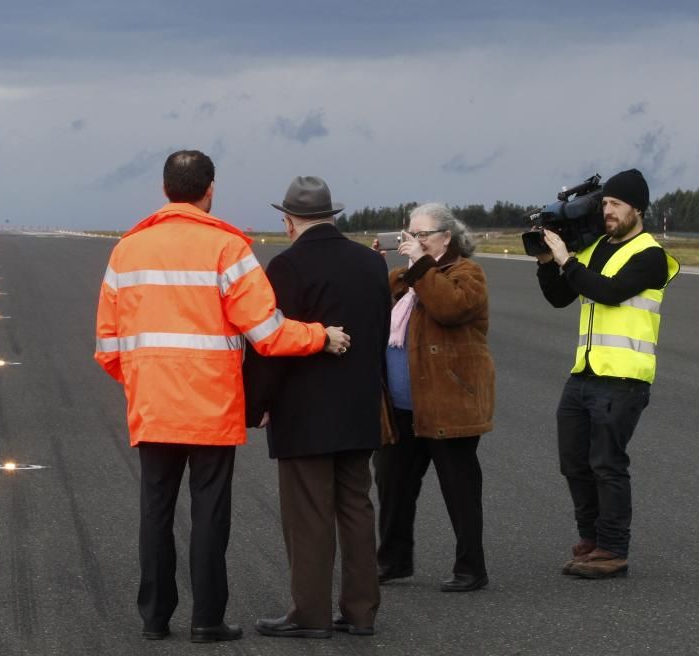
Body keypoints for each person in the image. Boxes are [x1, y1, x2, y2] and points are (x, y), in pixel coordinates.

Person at [94, 151, 350, 643]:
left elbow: (107, 345)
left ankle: (154, 619)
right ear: (210, 189)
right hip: (211, 405)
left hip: (154, 404)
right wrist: (320, 335)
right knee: (210, 512)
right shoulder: (228, 249)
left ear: (165, 189)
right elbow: (267, 332)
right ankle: (207, 620)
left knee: (155, 509)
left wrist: (143, 381)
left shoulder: (126, 251)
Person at [242, 176, 390, 639]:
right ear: (333, 215)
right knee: (356, 509)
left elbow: (270, 343)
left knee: (308, 516)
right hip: (361, 405)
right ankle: (362, 612)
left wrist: (258, 403)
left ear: (288, 221)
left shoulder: (287, 266)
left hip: (305, 410)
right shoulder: (370, 263)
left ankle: (310, 613)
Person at [536, 168, 679, 578]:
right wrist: (549, 262)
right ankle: (591, 540)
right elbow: (561, 297)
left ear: (637, 208)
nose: (608, 212)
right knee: (573, 462)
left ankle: (613, 549)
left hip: (625, 376)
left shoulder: (651, 256)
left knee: (606, 463)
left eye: (616, 204)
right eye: (605, 205)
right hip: (584, 371)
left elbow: (609, 292)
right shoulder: (597, 247)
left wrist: (567, 261)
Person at [373, 203, 495, 593]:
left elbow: (449, 307)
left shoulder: (467, 273)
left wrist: (419, 265)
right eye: (410, 233)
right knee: (392, 485)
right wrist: (377, 265)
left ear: (447, 236)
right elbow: (376, 296)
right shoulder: (410, 276)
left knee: (459, 487)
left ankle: (471, 568)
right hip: (402, 407)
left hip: (448, 402)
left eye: (423, 234)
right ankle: (393, 561)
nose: (414, 240)